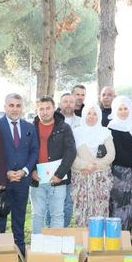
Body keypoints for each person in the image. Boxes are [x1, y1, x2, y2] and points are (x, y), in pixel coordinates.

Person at [0, 93, 38, 255]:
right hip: (2, 180)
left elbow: (34, 151)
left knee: (19, 216)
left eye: (18, 105)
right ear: (5, 107)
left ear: (22, 108)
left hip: (22, 180)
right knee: (0, 216)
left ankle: (19, 250)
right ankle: (0, 251)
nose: (15, 109)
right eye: (11, 105)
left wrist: (25, 171)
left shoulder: (29, 127)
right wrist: (5, 172)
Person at [29, 96, 76, 233]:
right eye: (41, 109)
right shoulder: (31, 128)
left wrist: (60, 174)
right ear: (37, 111)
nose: (45, 112)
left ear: (54, 108)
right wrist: (32, 171)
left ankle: (55, 248)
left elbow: (70, 152)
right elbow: (26, 152)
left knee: (57, 215)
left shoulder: (64, 127)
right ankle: (37, 248)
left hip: (58, 179)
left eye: (48, 108)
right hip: (37, 179)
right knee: (37, 215)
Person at [71, 101, 115, 226]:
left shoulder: (105, 132)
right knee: (81, 211)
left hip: (101, 179)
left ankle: (99, 241)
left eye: (95, 114)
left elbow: (111, 155)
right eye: (89, 113)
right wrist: (85, 166)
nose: (91, 116)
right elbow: (71, 156)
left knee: (100, 210)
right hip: (81, 178)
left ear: (99, 116)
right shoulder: (76, 132)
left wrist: (94, 166)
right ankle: (83, 241)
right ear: (84, 115)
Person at [108, 96, 132, 231]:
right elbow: (119, 154)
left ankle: (126, 236)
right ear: (115, 111)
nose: (123, 112)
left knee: (131, 205)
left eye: (125, 109)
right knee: (120, 206)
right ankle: (117, 237)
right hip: (120, 174)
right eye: (120, 109)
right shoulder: (112, 128)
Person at [57, 92, 80, 225]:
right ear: (60, 104)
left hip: (75, 167)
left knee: (68, 202)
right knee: (54, 203)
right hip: (57, 166)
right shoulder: (54, 121)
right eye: (65, 101)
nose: (68, 104)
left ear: (75, 104)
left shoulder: (81, 121)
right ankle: (52, 230)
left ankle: (63, 229)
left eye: (71, 102)